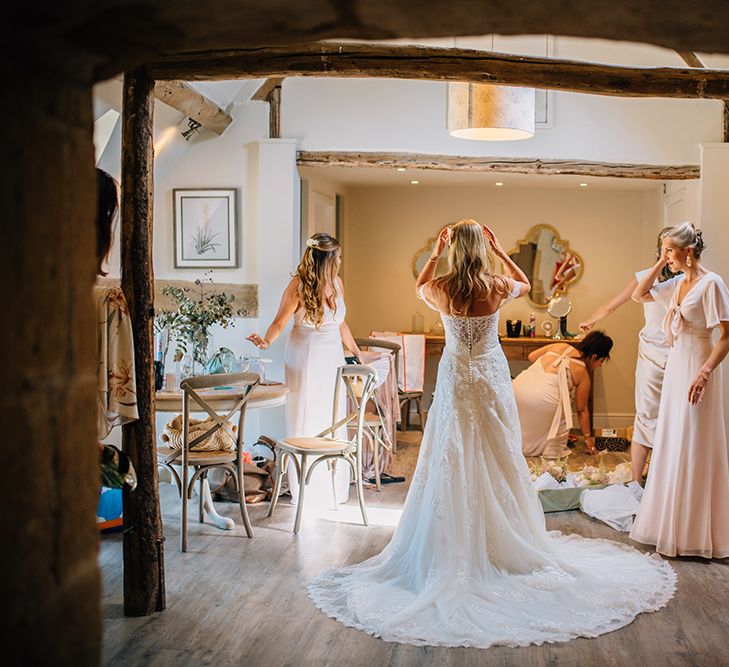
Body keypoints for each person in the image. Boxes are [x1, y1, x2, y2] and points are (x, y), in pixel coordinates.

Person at [307, 219, 674, 649]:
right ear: (483, 249)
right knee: (498, 453)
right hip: (490, 374)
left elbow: (418, 285)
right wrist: (501, 252)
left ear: (451, 250)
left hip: (456, 376)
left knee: (453, 451)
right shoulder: (497, 283)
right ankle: (502, 541)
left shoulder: (441, 285)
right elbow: (522, 282)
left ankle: (455, 543)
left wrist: (438, 250)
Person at [630, 222, 729, 558]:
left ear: (688, 250)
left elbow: (726, 336)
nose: (666, 256)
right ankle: (669, 526)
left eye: (670, 250)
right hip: (676, 366)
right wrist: (660, 263)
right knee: (672, 442)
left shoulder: (711, 283)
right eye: (664, 250)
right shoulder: (678, 283)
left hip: (697, 366)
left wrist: (704, 373)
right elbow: (638, 294)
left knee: (695, 444)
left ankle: (697, 531)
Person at [247, 233, 361, 506]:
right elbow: (279, 322)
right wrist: (266, 341)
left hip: (332, 356)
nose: (342, 261)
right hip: (305, 357)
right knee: (308, 414)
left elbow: (341, 323)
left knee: (332, 414)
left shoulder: (338, 283)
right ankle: (308, 489)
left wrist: (356, 352)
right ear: (328, 259)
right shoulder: (298, 285)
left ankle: (333, 487)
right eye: (339, 256)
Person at [579, 227, 677, 483]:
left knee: (671, 415)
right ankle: (636, 479)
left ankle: (657, 474)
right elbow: (613, 304)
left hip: (679, 352)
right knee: (646, 413)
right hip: (651, 352)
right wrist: (591, 320)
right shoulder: (645, 277)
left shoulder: (686, 279)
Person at [512, 331, 612, 459]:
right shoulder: (582, 373)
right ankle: (550, 450)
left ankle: (518, 443)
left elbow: (531, 356)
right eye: (601, 361)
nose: (600, 365)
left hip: (516, 391)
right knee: (564, 414)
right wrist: (588, 439)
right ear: (594, 357)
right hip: (541, 401)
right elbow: (582, 410)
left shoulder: (560, 345)